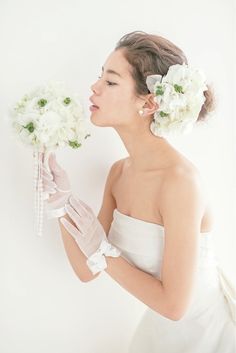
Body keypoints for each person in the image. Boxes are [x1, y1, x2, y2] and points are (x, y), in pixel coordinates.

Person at [41, 31, 236, 352]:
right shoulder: (119, 173)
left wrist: (102, 249)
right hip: (159, 333)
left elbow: (174, 306)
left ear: (149, 102)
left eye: (111, 81)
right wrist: (61, 205)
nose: (94, 87)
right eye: (99, 77)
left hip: (207, 336)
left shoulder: (180, 182)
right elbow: (86, 270)